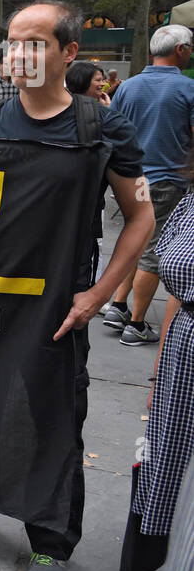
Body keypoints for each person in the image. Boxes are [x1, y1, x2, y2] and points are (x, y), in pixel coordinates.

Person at [0, 0, 153, 571]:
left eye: (35, 42)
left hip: (57, 307)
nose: (19, 54)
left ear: (69, 53)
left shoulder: (99, 125)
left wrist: (99, 294)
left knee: (52, 417)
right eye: (12, 42)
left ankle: (50, 538)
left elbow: (140, 217)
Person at [102, 25, 194, 345]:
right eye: (190, 47)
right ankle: (137, 324)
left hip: (132, 178)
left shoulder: (128, 87)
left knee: (135, 241)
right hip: (168, 180)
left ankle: (118, 304)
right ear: (180, 49)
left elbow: (112, 131)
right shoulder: (188, 89)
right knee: (152, 253)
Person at [131, 181, 194, 560]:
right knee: (172, 454)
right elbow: (174, 293)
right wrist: (159, 377)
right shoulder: (190, 201)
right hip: (184, 348)